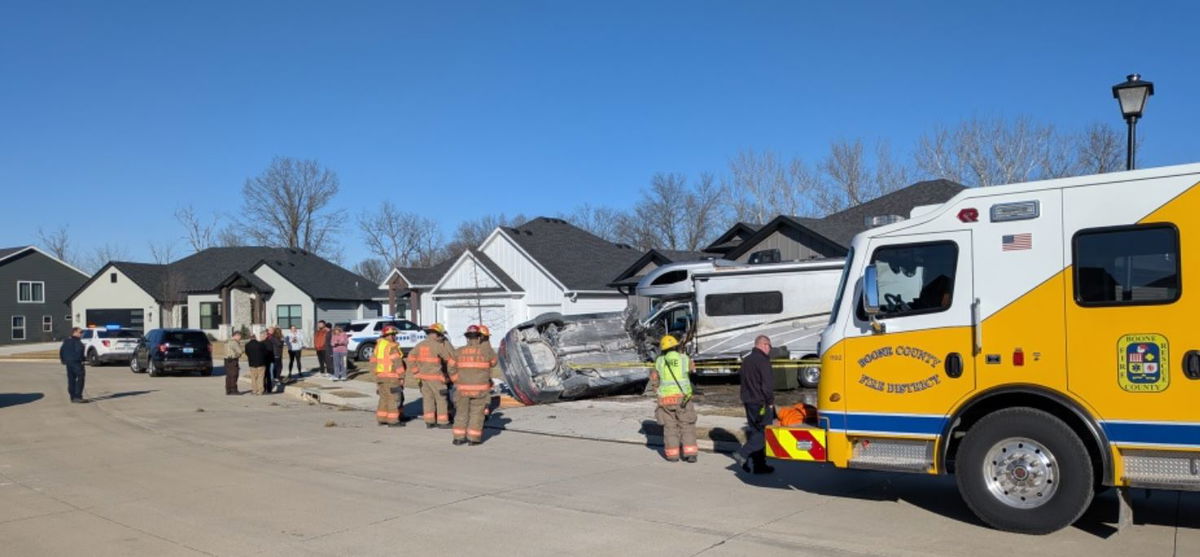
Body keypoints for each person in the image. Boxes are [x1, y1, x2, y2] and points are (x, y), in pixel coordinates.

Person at [651, 334, 698, 462]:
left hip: (666, 400)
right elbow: (693, 371)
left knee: (669, 427)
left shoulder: (659, 361)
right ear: (676, 347)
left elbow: (654, 380)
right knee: (687, 425)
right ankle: (690, 454)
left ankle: (672, 455)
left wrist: (658, 392)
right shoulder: (684, 359)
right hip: (683, 398)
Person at [451, 325, 499, 445]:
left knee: (461, 413)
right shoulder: (487, 351)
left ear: (467, 338)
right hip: (480, 390)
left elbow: (450, 367)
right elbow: (493, 362)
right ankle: (473, 439)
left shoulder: (458, 351)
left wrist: (457, 380)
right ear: (479, 338)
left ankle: (458, 438)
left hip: (462, 389)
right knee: (477, 414)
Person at [737, 335, 776, 474]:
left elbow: (742, 380)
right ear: (764, 344)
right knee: (764, 432)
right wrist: (770, 402)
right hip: (761, 402)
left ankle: (759, 465)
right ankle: (743, 453)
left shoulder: (747, 360)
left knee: (755, 432)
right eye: (769, 346)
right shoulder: (763, 361)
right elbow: (767, 385)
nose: (770, 350)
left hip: (748, 401)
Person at [406, 323, 457, 428]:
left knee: (428, 399)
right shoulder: (437, 345)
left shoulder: (420, 344)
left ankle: (429, 421)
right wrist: (454, 370)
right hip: (436, 378)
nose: (441, 337)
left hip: (423, 378)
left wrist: (416, 372)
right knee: (441, 399)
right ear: (437, 334)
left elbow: (410, 358)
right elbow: (449, 359)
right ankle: (443, 422)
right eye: (440, 335)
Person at [372, 326, 406, 426]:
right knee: (394, 399)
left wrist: (376, 375)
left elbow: (373, 362)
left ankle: (382, 418)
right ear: (389, 336)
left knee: (384, 398)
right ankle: (393, 420)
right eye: (394, 335)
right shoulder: (392, 347)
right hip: (392, 377)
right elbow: (397, 363)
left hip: (381, 377)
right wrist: (401, 376)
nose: (395, 337)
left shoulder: (378, 346)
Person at [59, 327, 87, 403]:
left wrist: (63, 360)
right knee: (80, 377)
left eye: (82, 332)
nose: (82, 334)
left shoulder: (66, 341)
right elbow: (79, 351)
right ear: (74, 332)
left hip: (69, 362)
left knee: (71, 379)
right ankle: (78, 396)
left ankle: (73, 397)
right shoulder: (77, 341)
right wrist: (82, 360)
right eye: (80, 332)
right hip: (76, 362)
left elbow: (61, 351)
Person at [245, 331, 272, 396]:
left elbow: (247, 353)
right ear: (255, 337)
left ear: (250, 338)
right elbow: (265, 353)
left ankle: (254, 390)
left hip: (252, 363)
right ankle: (260, 391)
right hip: (261, 363)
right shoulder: (261, 344)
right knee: (260, 377)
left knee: (253, 377)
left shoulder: (247, 345)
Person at [224, 331, 244, 395]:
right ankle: (233, 390)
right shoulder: (234, 342)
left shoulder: (227, 341)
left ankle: (228, 390)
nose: (240, 338)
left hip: (227, 360)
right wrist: (243, 349)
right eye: (240, 336)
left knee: (228, 375)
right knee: (234, 375)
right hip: (233, 360)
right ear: (236, 335)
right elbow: (240, 351)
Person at [267, 326, 285, 391]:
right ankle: (276, 378)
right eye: (279, 331)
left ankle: (276, 377)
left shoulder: (275, 337)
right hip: (276, 354)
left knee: (278, 367)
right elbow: (279, 344)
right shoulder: (274, 338)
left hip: (278, 354)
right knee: (278, 367)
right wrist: (282, 340)